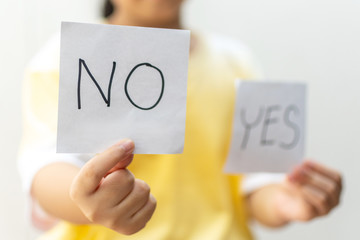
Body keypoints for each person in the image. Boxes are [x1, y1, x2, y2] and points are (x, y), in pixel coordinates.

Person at [18, 0, 342, 239]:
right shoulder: (64, 58)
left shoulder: (236, 63)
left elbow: (256, 191)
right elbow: (44, 169)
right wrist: (86, 201)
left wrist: (285, 202)